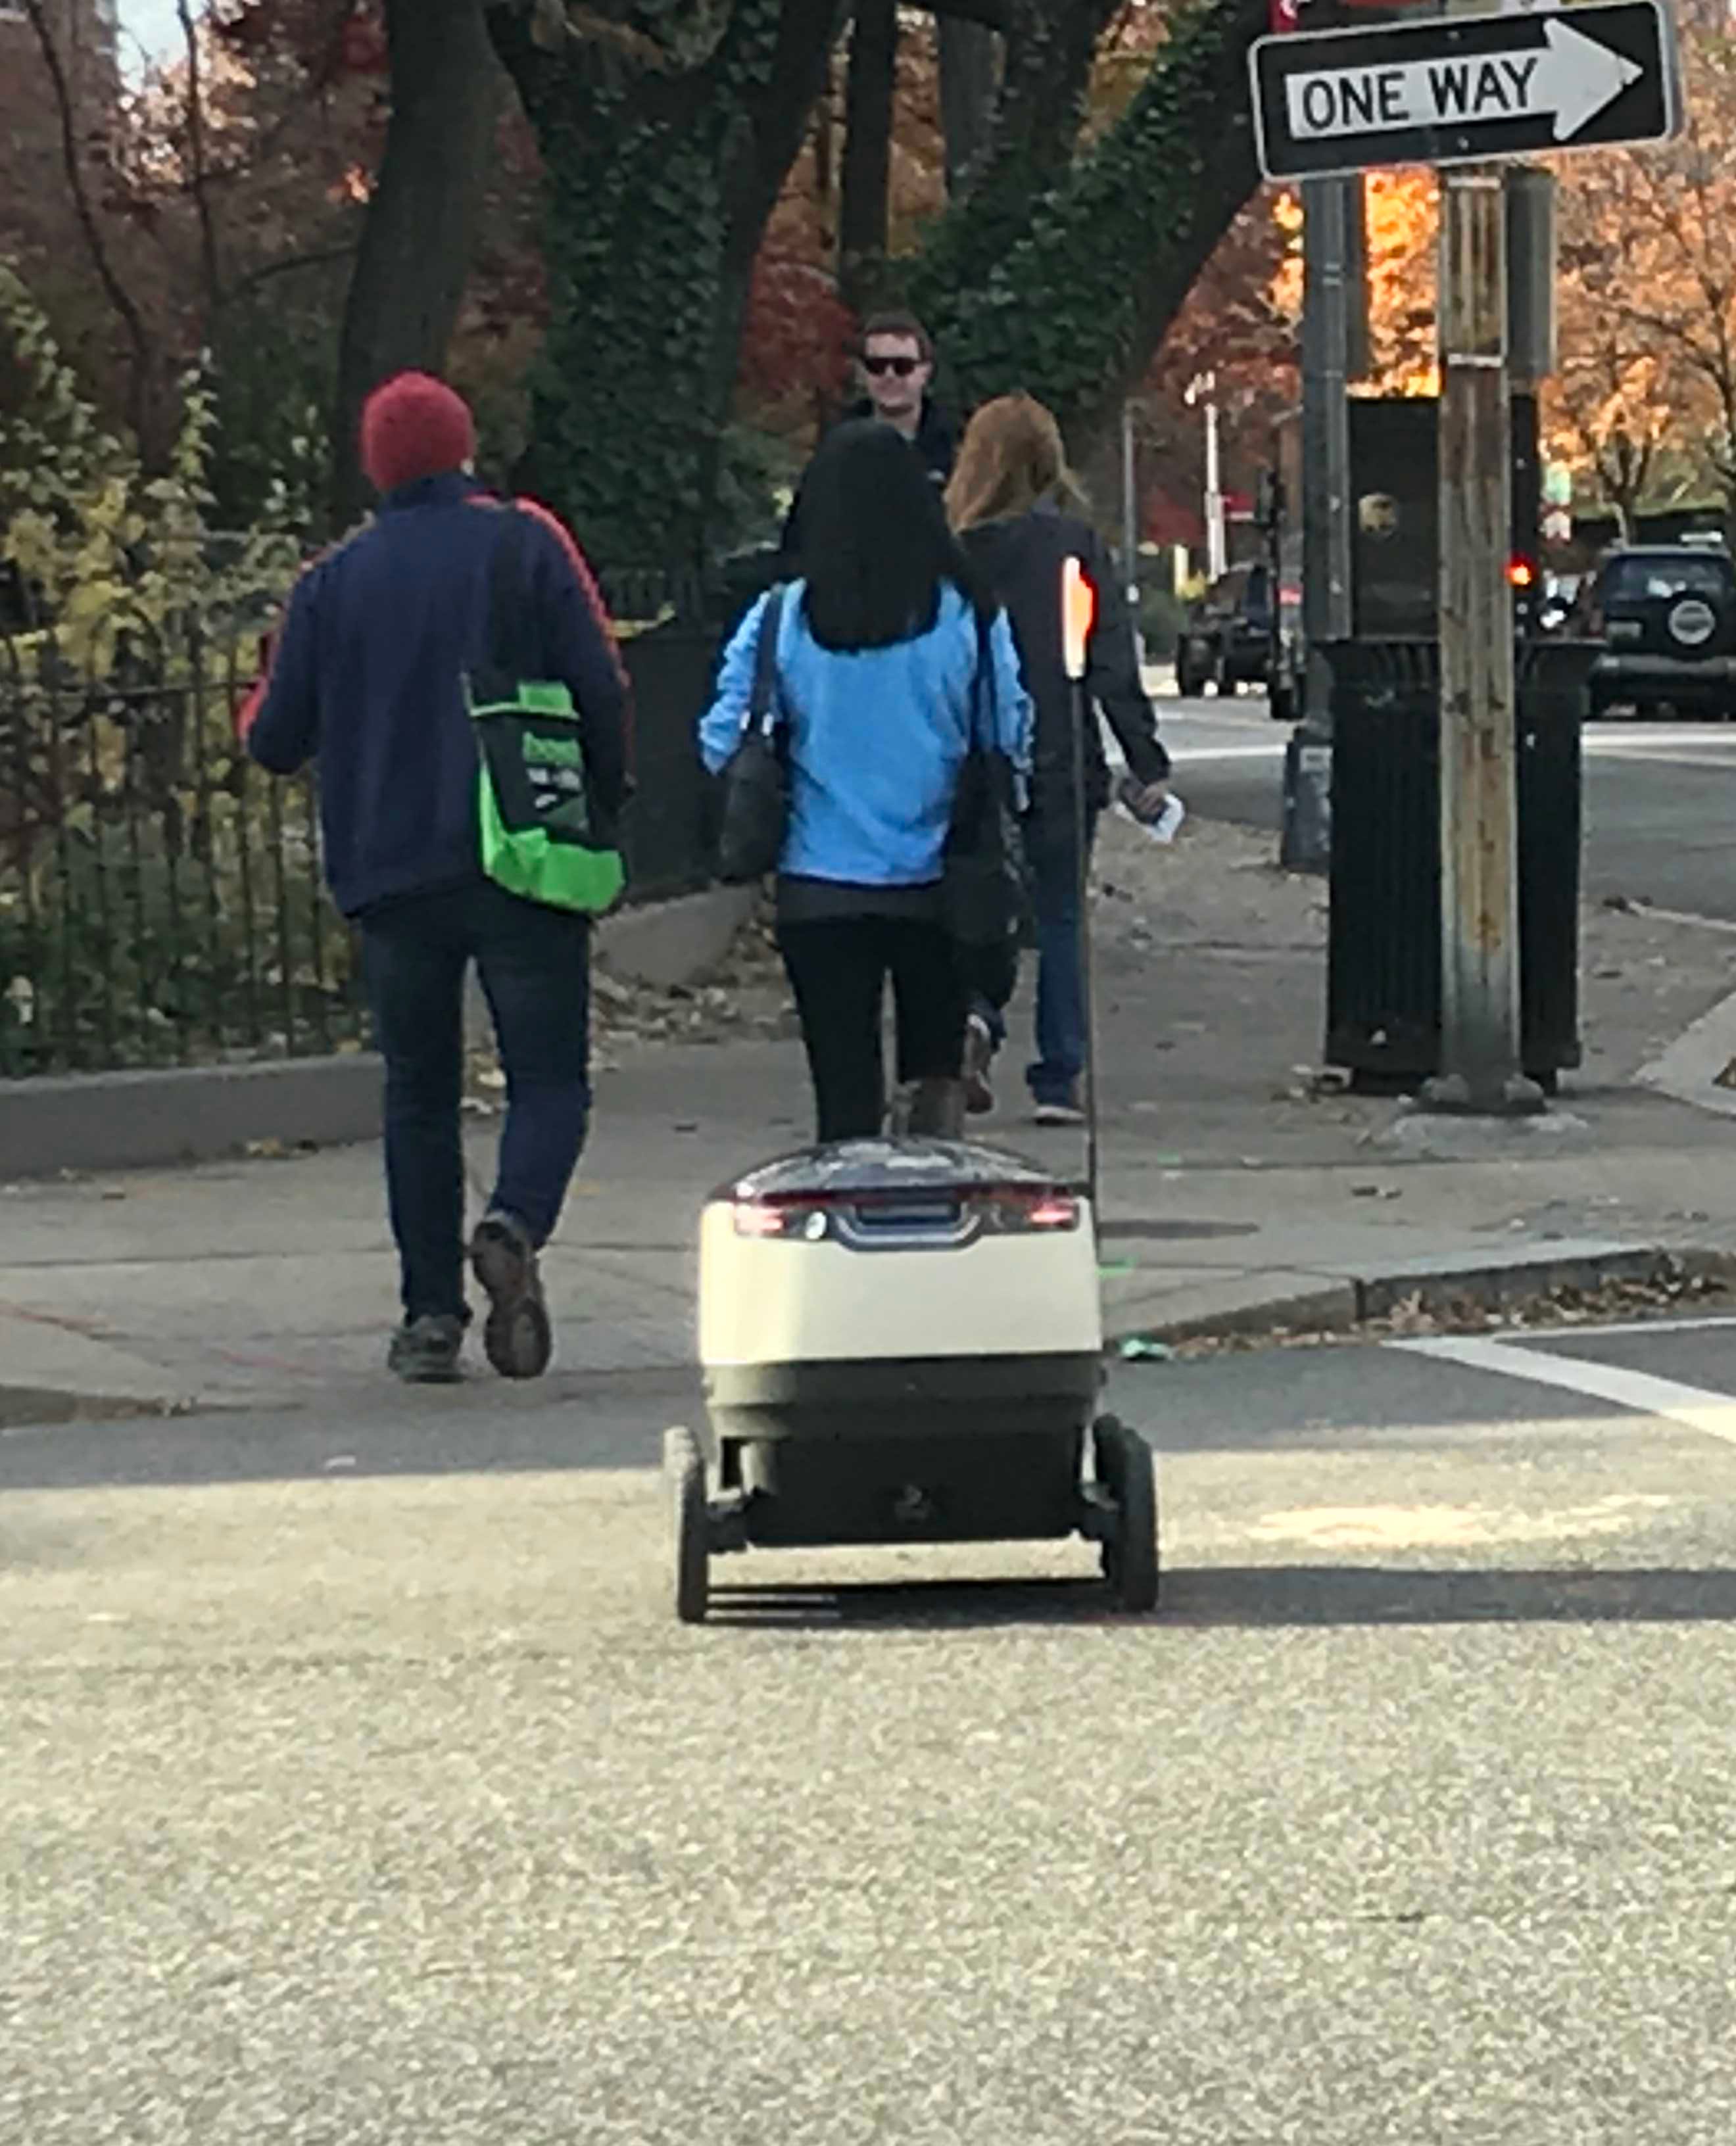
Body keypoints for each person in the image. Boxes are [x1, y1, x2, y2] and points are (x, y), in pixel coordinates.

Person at [241, 371, 631, 1385]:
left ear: (376, 468)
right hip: (519, 853)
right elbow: (600, 683)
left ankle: (428, 1318)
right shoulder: (525, 543)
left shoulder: (329, 582)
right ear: (464, 450)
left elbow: (273, 738)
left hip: (390, 871)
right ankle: (514, 1221)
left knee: (417, 1094)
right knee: (549, 1077)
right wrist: (605, 799)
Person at [700, 419, 1031, 1144]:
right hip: (942, 884)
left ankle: (849, 1192)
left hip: (818, 882)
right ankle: (929, 1185)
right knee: (934, 1077)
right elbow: (1008, 736)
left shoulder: (782, 617)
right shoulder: (970, 617)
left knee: (842, 1091)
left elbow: (722, 739)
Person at [946, 393, 1171, 1125]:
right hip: (1060, 755)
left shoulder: (953, 552)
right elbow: (1109, 660)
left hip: (973, 759)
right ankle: (1059, 1075)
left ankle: (976, 1021)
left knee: (977, 904)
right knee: (1061, 918)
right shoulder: (1073, 548)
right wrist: (1145, 758)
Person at [778, 311, 957, 567]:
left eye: (903, 366)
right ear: (862, 373)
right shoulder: (835, 448)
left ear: (925, 372)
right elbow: (800, 531)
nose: (889, 375)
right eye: (877, 366)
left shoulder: (955, 446)